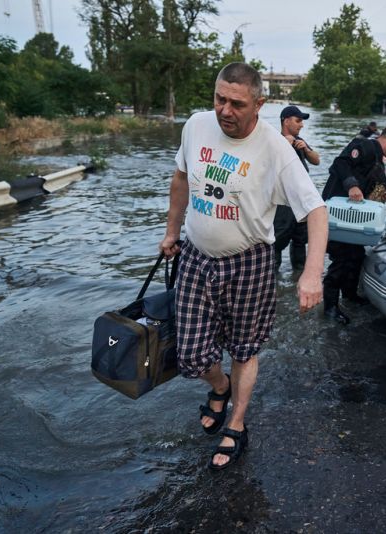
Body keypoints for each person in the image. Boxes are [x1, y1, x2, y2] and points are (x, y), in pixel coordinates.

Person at [159, 62, 328, 470]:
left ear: (259, 104)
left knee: (244, 348)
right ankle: (219, 388)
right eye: (219, 99)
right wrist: (171, 230)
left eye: (236, 103)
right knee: (192, 354)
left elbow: (317, 211)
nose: (225, 111)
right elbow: (181, 178)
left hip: (249, 260)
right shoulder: (196, 126)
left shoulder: (276, 150)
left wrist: (310, 273)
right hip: (197, 256)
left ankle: (235, 422)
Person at [322, 125, 386, 324]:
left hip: (354, 219)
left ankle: (350, 295)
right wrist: (352, 185)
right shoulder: (364, 146)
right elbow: (340, 163)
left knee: (356, 255)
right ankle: (330, 307)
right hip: (336, 215)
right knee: (340, 260)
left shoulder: (378, 165)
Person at [273, 105, 321, 271]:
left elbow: (317, 160)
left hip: (301, 202)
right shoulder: (274, 140)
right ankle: (273, 283)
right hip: (283, 203)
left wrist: (306, 149)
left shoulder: (300, 141)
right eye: (298, 120)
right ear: (286, 121)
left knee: (300, 240)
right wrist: (284, 146)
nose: (302, 125)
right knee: (276, 242)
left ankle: (298, 276)